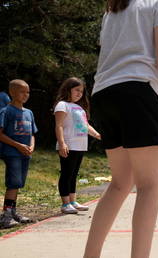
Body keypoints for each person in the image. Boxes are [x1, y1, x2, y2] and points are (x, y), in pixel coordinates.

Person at [84, 0, 158, 257]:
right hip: (136, 91)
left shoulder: (113, 9)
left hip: (104, 93)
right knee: (149, 184)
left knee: (120, 183)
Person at [54, 77, 101, 214]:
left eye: (81, 91)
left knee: (74, 174)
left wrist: (98, 135)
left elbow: (85, 126)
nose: (79, 93)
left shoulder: (79, 108)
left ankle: (73, 201)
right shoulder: (62, 105)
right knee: (66, 174)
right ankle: (65, 204)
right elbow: (59, 126)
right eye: (77, 90)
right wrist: (62, 143)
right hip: (69, 145)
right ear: (68, 89)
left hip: (80, 146)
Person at [0, 79, 37, 229]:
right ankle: (6, 216)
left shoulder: (29, 112)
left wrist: (31, 146)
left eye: (27, 92)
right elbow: (0, 134)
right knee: (13, 183)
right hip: (12, 152)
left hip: (25, 153)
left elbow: (33, 134)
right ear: (12, 92)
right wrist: (18, 145)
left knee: (19, 183)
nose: (26, 95)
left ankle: (13, 211)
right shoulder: (6, 111)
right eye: (22, 91)